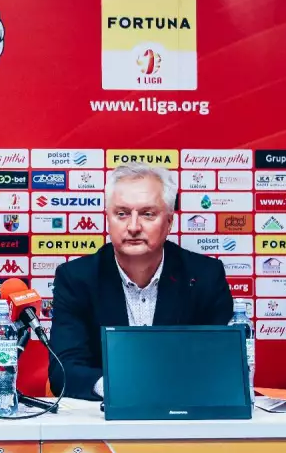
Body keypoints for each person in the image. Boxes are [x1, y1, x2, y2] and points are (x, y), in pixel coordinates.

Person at [48, 162, 234, 399]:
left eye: (148, 214)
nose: (134, 227)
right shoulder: (76, 278)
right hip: (105, 413)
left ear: (169, 222)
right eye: (122, 214)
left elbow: (221, 364)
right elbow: (63, 370)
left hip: (182, 409)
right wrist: (118, 388)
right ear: (108, 219)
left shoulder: (204, 275)